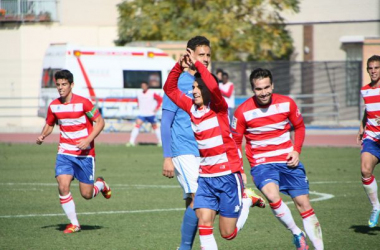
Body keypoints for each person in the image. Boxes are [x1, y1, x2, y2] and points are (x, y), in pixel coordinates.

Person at [164, 48, 265, 250]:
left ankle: (246, 200)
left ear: (208, 91)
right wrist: (178, 66)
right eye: (192, 87)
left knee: (227, 234)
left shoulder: (218, 108)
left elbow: (211, 83)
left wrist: (197, 63)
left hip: (228, 175)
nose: (193, 91)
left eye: (197, 88)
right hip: (206, 177)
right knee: (204, 221)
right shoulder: (192, 108)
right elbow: (170, 89)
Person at [231, 68, 323, 250]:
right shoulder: (242, 112)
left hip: (288, 160)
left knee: (303, 205)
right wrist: (239, 170)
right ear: (252, 89)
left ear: (272, 85)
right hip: (262, 163)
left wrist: (296, 151)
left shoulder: (287, 104)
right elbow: (234, 144)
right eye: (259, 89)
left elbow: (300, 127)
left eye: (267, 87)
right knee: (273, 197)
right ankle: (297, 233)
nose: (264, 92)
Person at [36, 69, 111, 234]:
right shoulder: (54, 105)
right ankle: (74, 223)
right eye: (58, 85)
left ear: (72, 85)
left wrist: (88, 139)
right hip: (65, 153)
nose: (61, 88)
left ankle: (101, 184)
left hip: (85, 155)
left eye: (64, 84)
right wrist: (43, 135)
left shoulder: (84, 103)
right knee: (63, 186)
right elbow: (50, 124)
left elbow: (100, 122)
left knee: (87, 194)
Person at [160, 36, 210, 250]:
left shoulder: (207, 81)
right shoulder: (179, 82)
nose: (206, 59)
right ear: (189, 54)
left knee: (193, 200)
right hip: (183, 149)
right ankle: (188, 247)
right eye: (201, 55)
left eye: (208, 55)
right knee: (200, 198)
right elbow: (166, 122)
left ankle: (185, 246)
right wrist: (167, 157)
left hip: (204, 150)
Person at [357, 55, 380, 228]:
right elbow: (368, 111)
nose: (373, 71)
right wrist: (361, 127)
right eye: (370, 68)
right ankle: (375, 207)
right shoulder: (365, 90)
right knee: (365, 170)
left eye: (376, 68)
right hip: (372, 137)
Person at [127, 81, 163, 146]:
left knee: (155, 126)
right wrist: (138, 105)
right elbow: (137, 101)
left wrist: (156, 108)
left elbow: (160, 99)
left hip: (151, 114)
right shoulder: (139, 93)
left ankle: (160, 141)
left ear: (147, 86)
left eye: (144, 86)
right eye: (142, 86)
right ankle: (131, 142)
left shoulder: (152, 93)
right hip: (142, 114)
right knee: (137, 125)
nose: (143, 87)